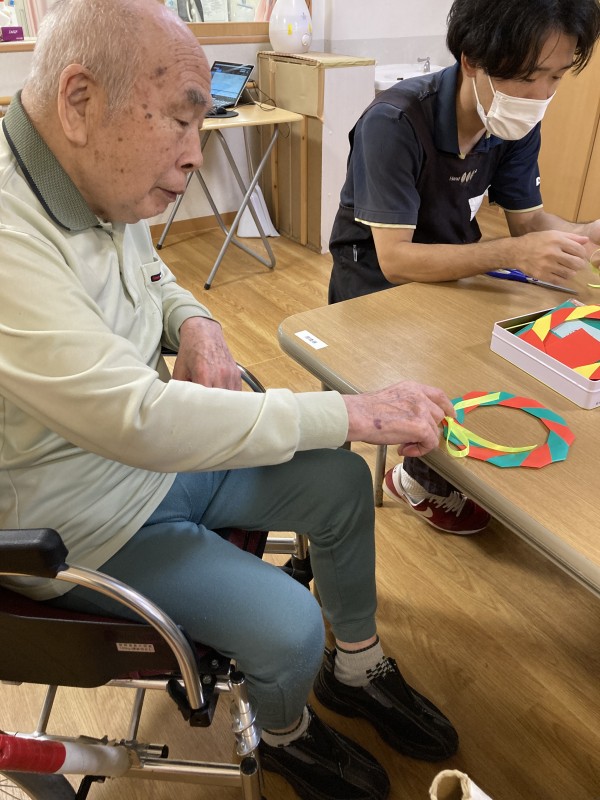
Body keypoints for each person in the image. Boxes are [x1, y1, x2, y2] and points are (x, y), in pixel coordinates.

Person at [0, 1, 459, 798]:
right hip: (85, 526)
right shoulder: (11, 242)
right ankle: (285, 733)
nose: (194, 153)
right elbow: (136, 419)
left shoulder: (92, 177)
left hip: (153, 466)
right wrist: (349, 412)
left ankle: (355, 669)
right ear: (79, 101)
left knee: (341, 482)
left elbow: (153, 274)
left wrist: (199, 324)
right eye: (181, 121)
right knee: (290, 625)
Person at [328, 0, 600, 537]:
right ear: (472, 58)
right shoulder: (395, 121)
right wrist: (511, 254)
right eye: (528, 76)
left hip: (456, 267)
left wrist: (586, 233)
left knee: (510, 344)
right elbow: (396, 259)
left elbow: (527, 223)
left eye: (555, 76)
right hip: (374, 283)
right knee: (449, 365)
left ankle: (443, 463)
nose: (542, 95)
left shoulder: (513, 121)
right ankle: (416, 476)